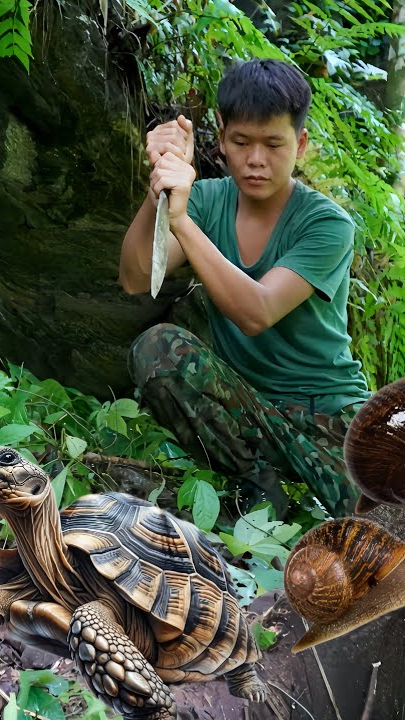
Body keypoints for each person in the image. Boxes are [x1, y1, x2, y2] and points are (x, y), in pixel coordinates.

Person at [118, 59, 370, 518]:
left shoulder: (328, 224)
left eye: (274, 144)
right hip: (246, 410)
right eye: (241, 142)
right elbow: (136, 277)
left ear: (302, 144)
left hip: (328, 416)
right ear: (220, 135)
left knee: (377, 520)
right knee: (156, 347)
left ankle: (298, 490)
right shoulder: (210, 200)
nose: (256, 160)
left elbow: (257, 312)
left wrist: (181, 221)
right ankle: (257, 484)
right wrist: (161, 185)